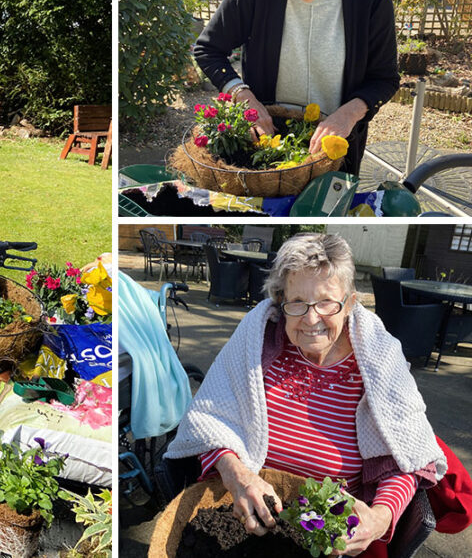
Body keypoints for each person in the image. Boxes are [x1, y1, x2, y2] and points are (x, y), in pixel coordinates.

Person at [166, 233, 446, 555]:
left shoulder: (379, 359)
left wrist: (380, 518)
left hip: (326, 535)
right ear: (280, 302)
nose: (311, 319)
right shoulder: (256, 340)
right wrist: (238, 476)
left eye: (327, 301)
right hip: (248, 516)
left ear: (350, 303)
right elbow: (210, 420)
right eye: (297, 302)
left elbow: (407, 458)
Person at [193, 0, 399, 176]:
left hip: (335, 151)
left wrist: (348, 115)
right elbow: (208, 49)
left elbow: (385, 78)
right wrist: (243, 96)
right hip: (265, 150)